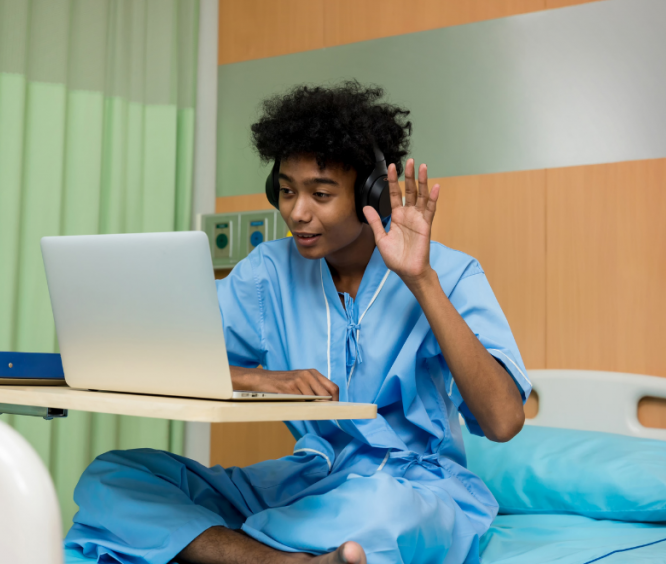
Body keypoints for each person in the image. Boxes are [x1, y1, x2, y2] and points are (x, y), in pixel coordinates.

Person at [64, 81, 530, 564]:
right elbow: (169, 359)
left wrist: (421, 280)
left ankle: (236, 547)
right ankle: (282, 561)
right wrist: (260, 378)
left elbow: (503, 421)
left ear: (371, 194)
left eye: (321, 194)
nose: (297, 212)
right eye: (286, 191)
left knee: (387, 512)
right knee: (114, 476)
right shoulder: (268, 272)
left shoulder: (450, 275)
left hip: (413, 488)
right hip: (306, 479)